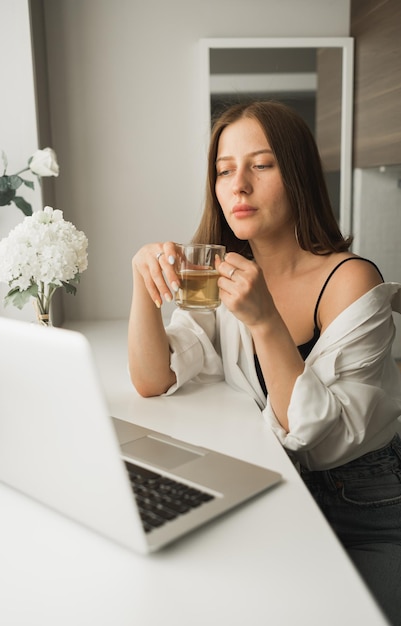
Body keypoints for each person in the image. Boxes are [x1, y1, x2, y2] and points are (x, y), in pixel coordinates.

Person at [128, 100, 401, 624]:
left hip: (367, 500)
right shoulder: (225, 272)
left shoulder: (351, 280)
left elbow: (325, 437)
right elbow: (151, 379)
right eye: (224, 171)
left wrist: (263, 321)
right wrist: (143, 286)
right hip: (279, 482)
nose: (239, 186)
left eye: (262, 164)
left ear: (296, 173)